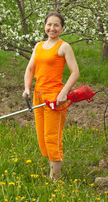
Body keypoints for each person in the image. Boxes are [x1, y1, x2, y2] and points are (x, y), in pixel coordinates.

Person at [23, 11, 80, 180]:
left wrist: (63, 92)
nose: (52, 28)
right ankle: (52, 169)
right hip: (38, 95)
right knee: (42, 136)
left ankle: (55, 178)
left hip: (55, 98)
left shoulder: (64, 46)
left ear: (62, 28)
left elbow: (75, 73)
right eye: (49, 24)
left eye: (56, 25)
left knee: (52, 136)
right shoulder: (39, 46)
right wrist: (27, 88)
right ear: (45, 26)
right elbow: (29, 69)